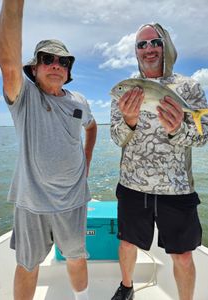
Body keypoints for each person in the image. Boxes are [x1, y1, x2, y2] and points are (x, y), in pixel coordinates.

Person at [0, 1, 97, 300]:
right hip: (32, 203)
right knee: (28, 265)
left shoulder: (79, 101)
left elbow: (91, 128)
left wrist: (87, 161)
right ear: (35, 67)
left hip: (73, 200)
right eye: (47, 59)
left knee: (77, 258)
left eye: (63, 61)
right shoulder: (24, 97)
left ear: (68, 71)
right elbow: (8, 62)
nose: (56, 65)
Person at [110, 23, 208, 300]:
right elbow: (117, 138)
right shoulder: (125, 90)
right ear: (136, 52)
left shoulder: (188, 87)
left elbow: (203, 137)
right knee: (127, 243)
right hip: (132, 183)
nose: (149, 49)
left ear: (165, 45)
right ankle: (126, 286)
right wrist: (129, 121)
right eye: (142, 44)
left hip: (176, 188)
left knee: (184, 255)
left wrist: (179, 128)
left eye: (155, 42)